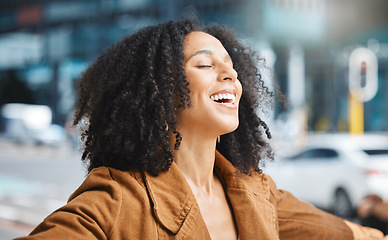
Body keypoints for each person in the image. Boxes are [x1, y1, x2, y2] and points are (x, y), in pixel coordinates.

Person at [15, 18, 383, 240]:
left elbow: (341, 233)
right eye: (205, 65)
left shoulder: (256, 192)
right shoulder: (118, 199)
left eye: (231, 66)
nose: (231, 75)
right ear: (159, 91)